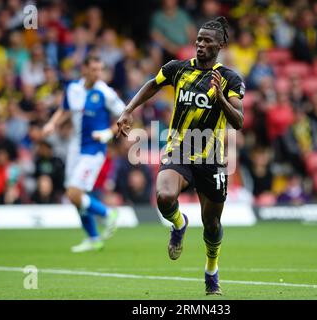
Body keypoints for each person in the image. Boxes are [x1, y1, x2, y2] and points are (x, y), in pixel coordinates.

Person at [117, 16, 245, 295]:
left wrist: (221, 97)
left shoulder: (231, 78)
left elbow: (238, 121)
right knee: (163, 196)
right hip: (179, 150)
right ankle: (178, 223)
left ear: (220, 45)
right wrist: (129, 109)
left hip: (212, 159)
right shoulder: (178, 69)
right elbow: (153, 83)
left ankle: (211, 272)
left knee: (211, 224)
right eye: (198, 40)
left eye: (207, 41)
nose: (200, 45)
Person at [42, 56, 125, 252]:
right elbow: (64, 111)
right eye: (94, 69)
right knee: (74, 197)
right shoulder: (73, 89)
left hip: (94, 150)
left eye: (100, 69)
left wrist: (108, 133)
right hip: (74, 148)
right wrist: (52, 124)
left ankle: (107, 214)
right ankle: (93, 238)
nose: (98, 74)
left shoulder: (106, 93)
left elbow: (125, 118)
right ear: (84, 69)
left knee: (74, 192)